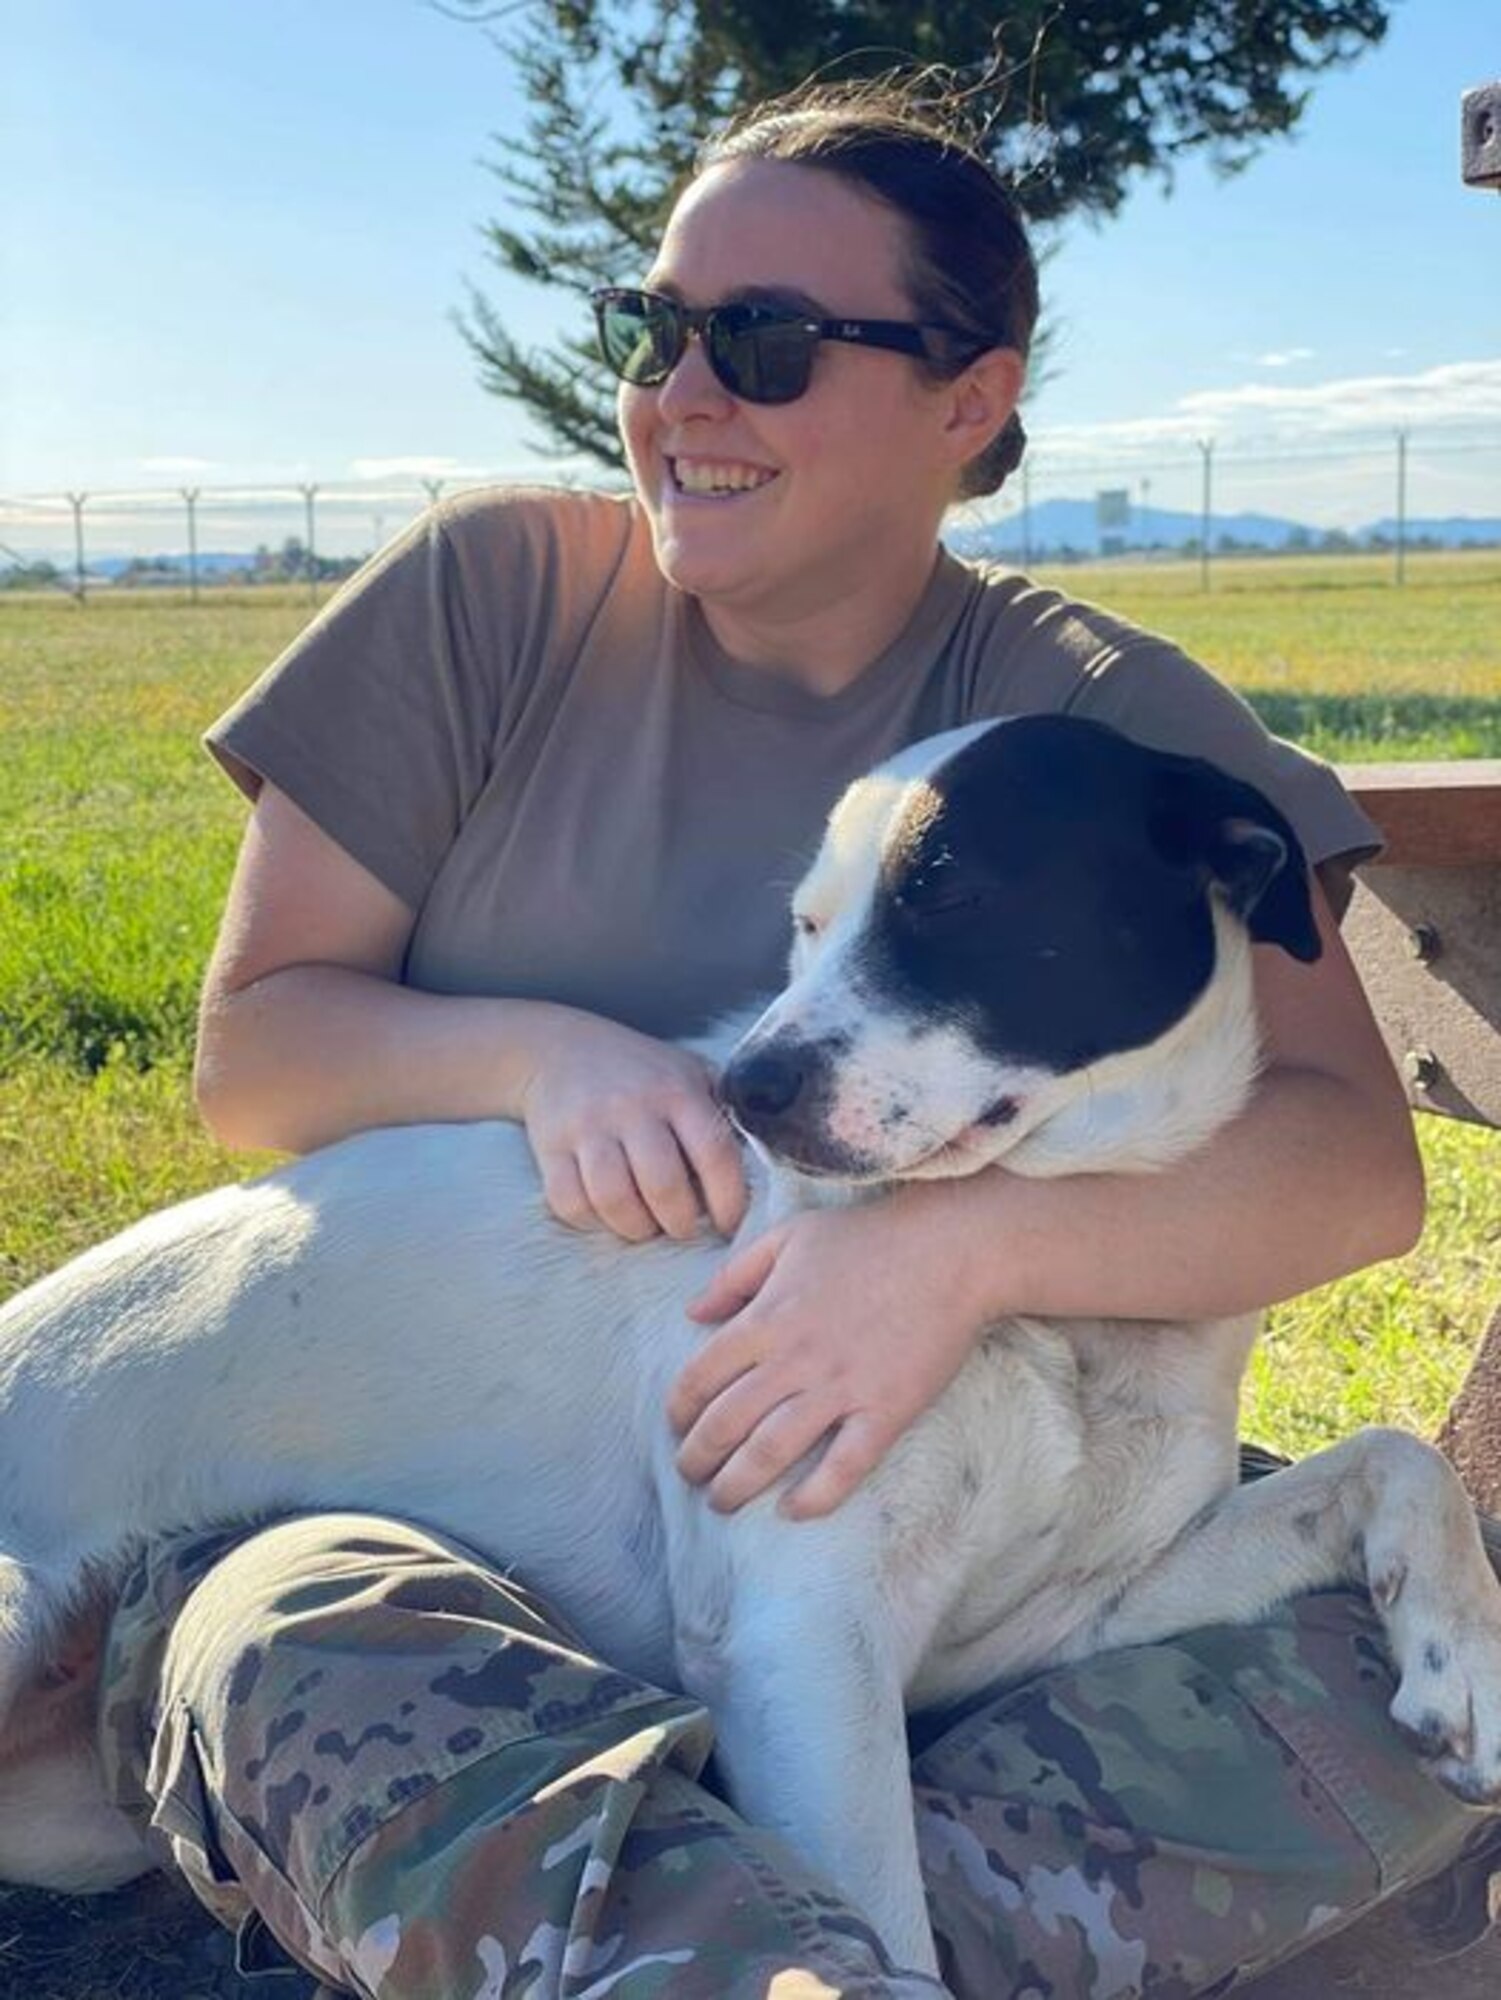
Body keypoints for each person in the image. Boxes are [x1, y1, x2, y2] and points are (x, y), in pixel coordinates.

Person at [98, 79, 1497, 2000]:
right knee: (308, 1636)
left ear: (969, 396)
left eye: (758, 344)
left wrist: (948, 1246)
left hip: (939, 1509)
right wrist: (542, 1058)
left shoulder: (1092, 714)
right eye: (652, 328)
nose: (681, 391)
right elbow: (254, 1058)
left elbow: (1344, 1160)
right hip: (381, 1529)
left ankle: (703, 1924)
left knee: (1348, 1660)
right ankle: (808, 1922)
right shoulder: (495, 589)